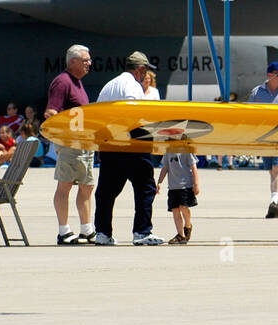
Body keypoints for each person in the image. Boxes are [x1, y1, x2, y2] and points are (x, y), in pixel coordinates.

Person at [92, 51, 162, 245]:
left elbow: (98, 115)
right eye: (145, 70)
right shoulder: (132, 86)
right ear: (140, 69)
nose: (146, 74)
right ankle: (142, 232)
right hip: (132, 145)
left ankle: (103, 233)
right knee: (145, 189)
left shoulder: (109, 85)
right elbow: (132, 112)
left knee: (106, 191)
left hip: (109, 144)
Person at [46, 44, 96, 245]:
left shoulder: (77, 82)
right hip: (71, 144)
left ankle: (87, 229)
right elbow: (51, 112)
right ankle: (64, 231)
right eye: (85, 60)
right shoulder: (62, 82)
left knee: (87, 186)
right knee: (65, 186)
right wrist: (65, 137)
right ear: (73, 61)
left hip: (84, 144)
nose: (89, 64)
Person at [248, 61, 278, 218]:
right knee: (272, 172)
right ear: (269, 75)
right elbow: (249, 116)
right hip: (265, 138)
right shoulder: (257, 93)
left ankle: (273, 203)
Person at [157, 151, 199, 244]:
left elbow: (194, 167)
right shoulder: (168, 151)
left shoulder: (187, 151)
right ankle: (181, 235)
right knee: (175, 210)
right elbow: (165, 168)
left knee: (184, 207)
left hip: (185, 186)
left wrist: (196, 184)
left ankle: (188, 226)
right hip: (173, 187)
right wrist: (159, 182)